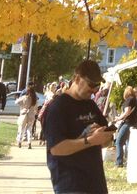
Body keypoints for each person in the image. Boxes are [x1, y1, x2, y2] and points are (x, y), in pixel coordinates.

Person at [43, 60, 115, 194]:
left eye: (97, 85)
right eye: (91, 84)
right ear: (77, 78)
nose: (94, 90)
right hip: (71, 184)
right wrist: (90, 140)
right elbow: (56, 148)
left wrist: (104, 137)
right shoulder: (58, 107)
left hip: (96, 183)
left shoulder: (91, 105)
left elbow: (106, 141)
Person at [115, 85, 137, 167]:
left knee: (119, 142)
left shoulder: (129, 100)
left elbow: (127, 112)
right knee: (129, 144)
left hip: (128, 123)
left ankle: (119, 163)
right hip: (135, 124)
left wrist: (118, 118)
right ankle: (130, 161)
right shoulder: (136, 100)